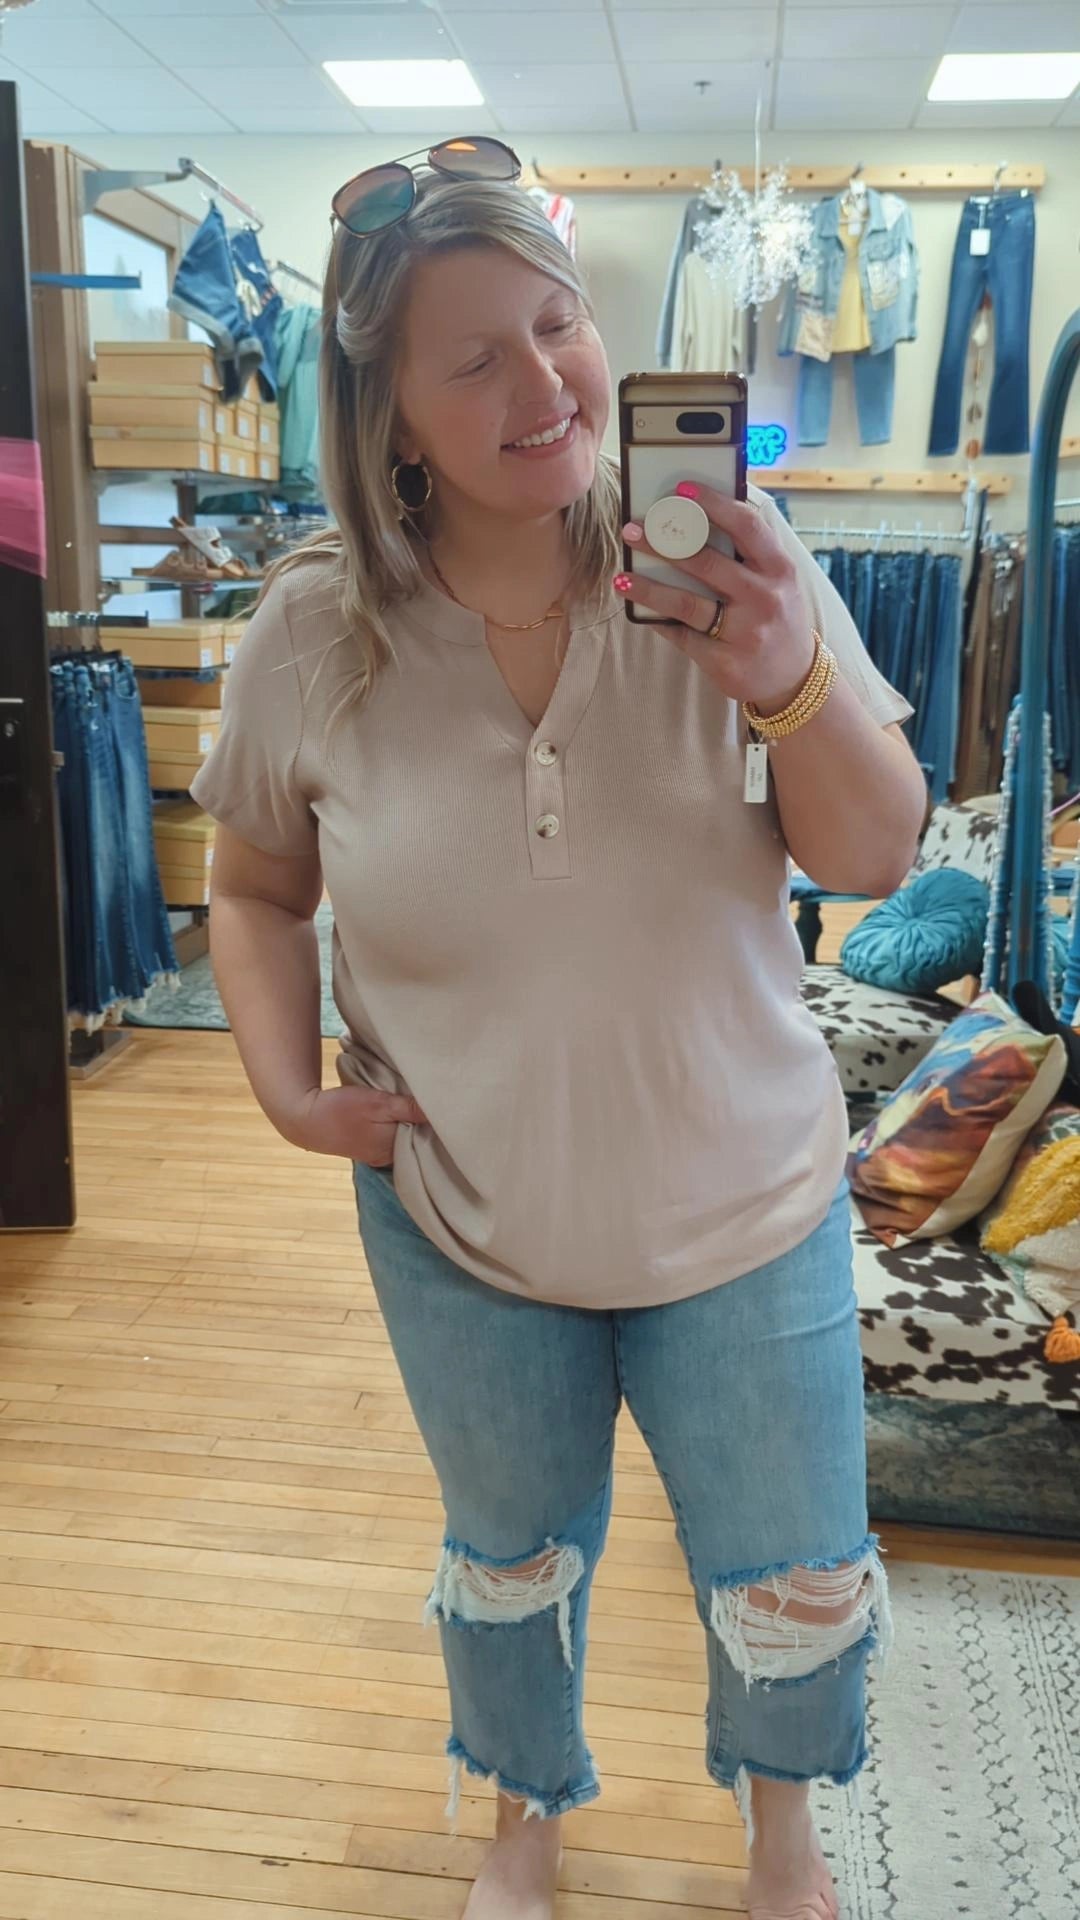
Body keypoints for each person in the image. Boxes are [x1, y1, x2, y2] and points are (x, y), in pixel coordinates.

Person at [190, 140, 928, 1920]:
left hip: (744, 1206)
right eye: (477, 359)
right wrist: (284, 1092)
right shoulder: (312, 633)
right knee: (510, 1557)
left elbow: (876, 856)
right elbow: (256, 886)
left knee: (791, 1566)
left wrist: (786, 679)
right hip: (465, 1220)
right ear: (389, 417)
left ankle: (784, 1835)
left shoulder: (746, 566)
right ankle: (523, 1818)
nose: (546, 383)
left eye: (559, 323)